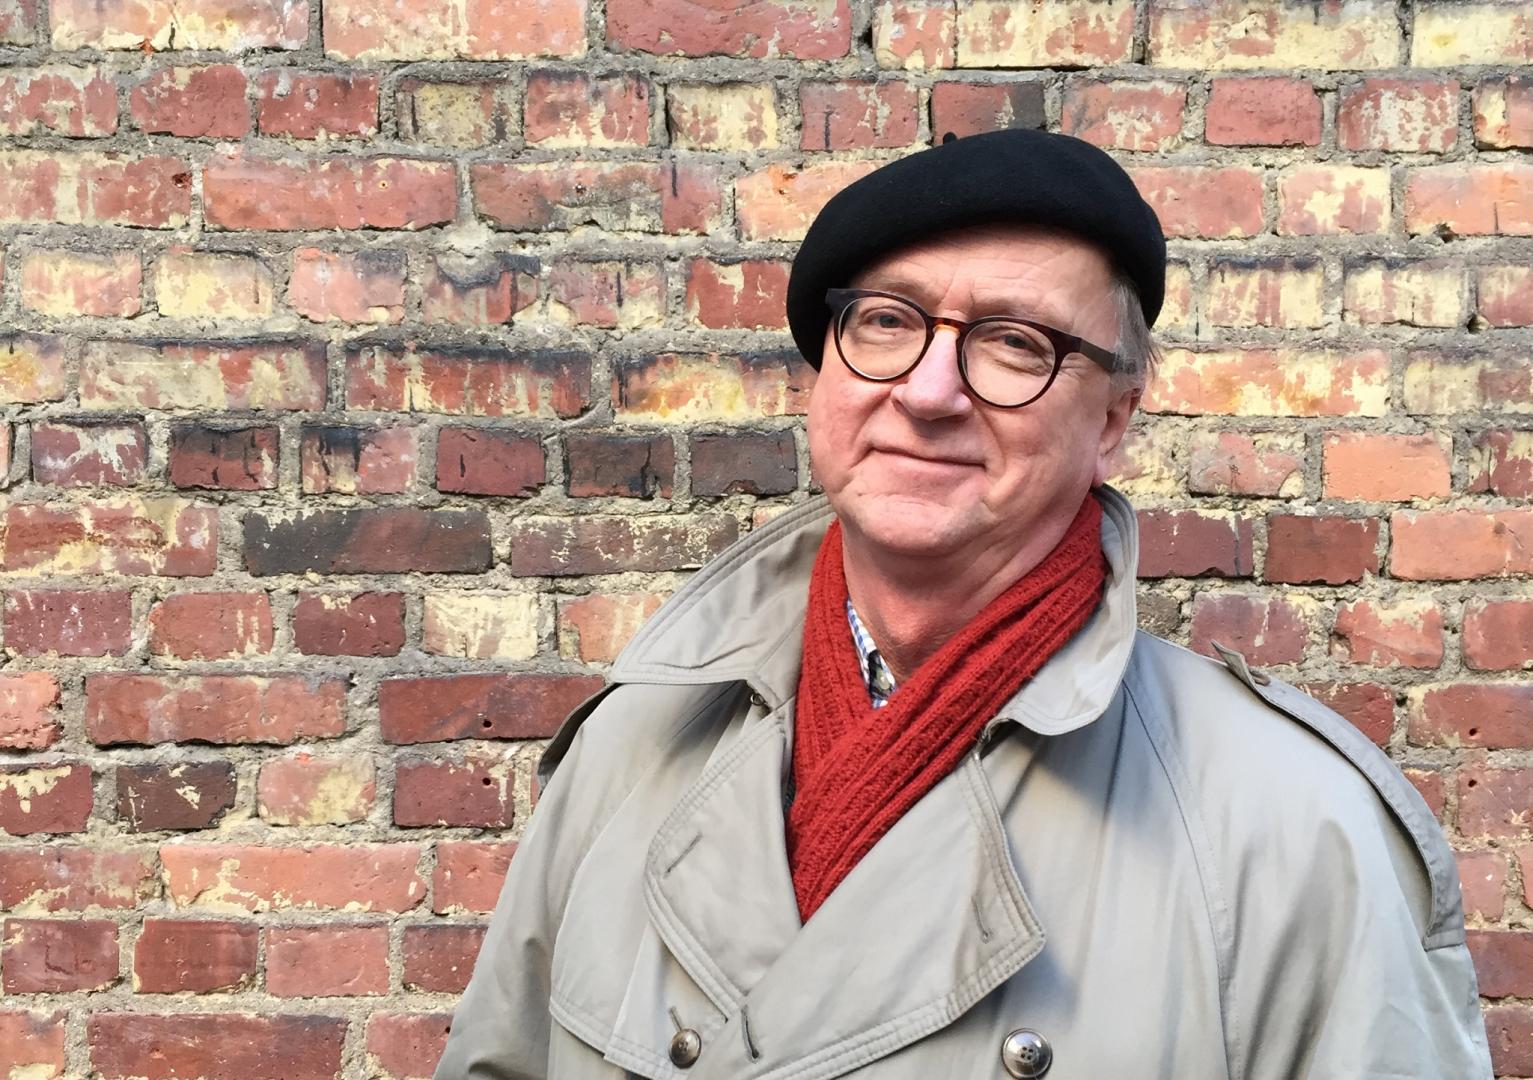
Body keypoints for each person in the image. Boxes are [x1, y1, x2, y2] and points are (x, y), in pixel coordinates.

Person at [435, 130, 1492, 1080]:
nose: (929, 391)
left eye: (1015, 343)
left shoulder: (1296, 830)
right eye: (886, 322)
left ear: (1113, 420)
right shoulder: (633, 746)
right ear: (824, 374)